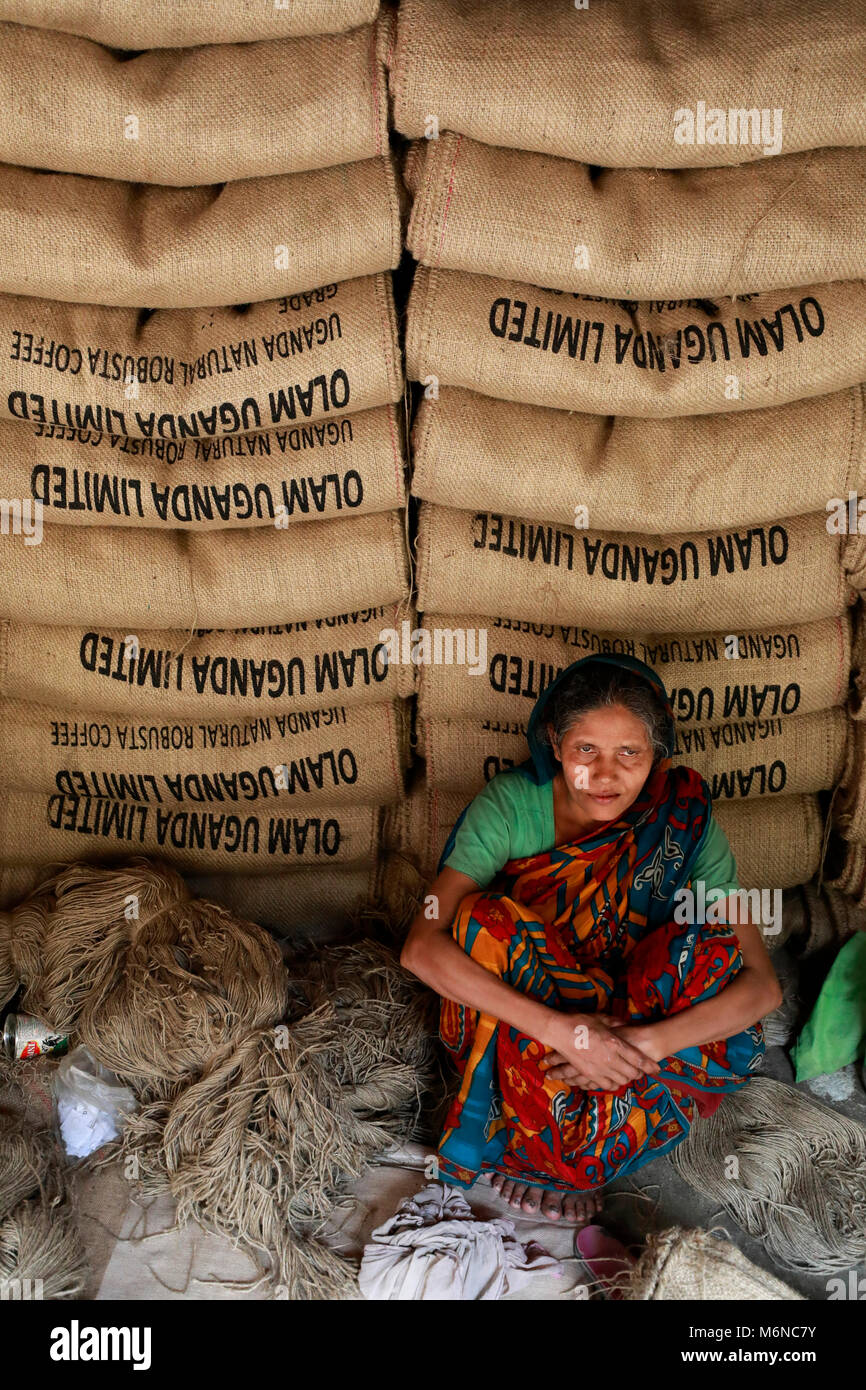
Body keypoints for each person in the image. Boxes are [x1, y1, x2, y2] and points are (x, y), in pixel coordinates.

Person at [400, 654, 781, 1225]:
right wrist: (567, 1033)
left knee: (710, 951)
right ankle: (535, 1143)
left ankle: (581, 1146)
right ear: (555, 743)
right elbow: (421, 946)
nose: (605, 776)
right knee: (483, 922)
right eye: (586, 751)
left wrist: (639, 1046)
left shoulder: (681, 821)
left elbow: (761, 985)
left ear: (657, 755)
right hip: (536, 1006)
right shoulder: (511, 807)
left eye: (629, 753)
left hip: (630, 1008)